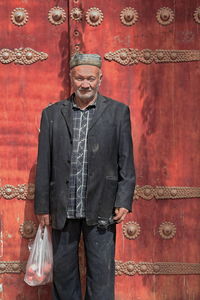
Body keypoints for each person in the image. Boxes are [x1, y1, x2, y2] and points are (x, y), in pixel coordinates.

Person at [34, 53, 136, 300]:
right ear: (71, 77)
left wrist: (123, 199)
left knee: (101, 274)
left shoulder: (118, 112)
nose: (85, 84)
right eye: (80, 78)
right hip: (62, 207)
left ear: (100, 78)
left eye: (91, 78)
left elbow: (126, 159)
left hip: (102, 205)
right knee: (64, 274)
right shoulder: (52, 114)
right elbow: (44, 164)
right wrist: (42, 206)